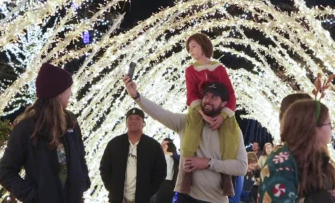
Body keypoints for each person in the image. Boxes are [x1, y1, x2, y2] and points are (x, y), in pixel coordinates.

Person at [124, 75, 247, 203]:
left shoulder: (233, 131)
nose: (208, 100)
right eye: (206, 96)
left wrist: (208, 162)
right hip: (186, 196)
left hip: (216, 199)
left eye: (214, 97)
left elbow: (242, 167)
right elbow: (160, 113)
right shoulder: (187, 122)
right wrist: (137, 97)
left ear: (224, 103)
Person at [0, 63, 90, 203]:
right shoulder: (26, 129)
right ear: (58, 93)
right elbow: (6, 173)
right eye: (68, 89)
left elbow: (80, 155)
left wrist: (83, 182)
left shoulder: (71, 122)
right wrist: (34, 197)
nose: (70, 93)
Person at [259, 100, 335, 203]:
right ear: (312, 128)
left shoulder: (320, 159)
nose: (332, 128)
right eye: (329, 123)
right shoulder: (280, 164)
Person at [181, 33, 240, 196]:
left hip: (220, 107)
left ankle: (226, 177)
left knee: (230, 132)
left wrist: (223, 115)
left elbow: (230, 94)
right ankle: (187, 172)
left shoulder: (219, 68)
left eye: (193, 46)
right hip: (200, 107)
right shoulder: (190, 70)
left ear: (203, 46)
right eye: (188, 47)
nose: (190, 50)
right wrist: (202, 113)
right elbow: (191, 94)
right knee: (191, 129)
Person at [100, 108, 166, 203]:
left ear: (143, 123)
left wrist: (150, 191)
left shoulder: (153, 146)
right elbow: (104, 167)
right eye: (130, 118)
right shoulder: (115, 143)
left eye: (138, 118)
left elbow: (160, 171)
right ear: (126, 122)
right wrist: (111, 186)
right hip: (117, 198)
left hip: (143, 198)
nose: (133, 121)